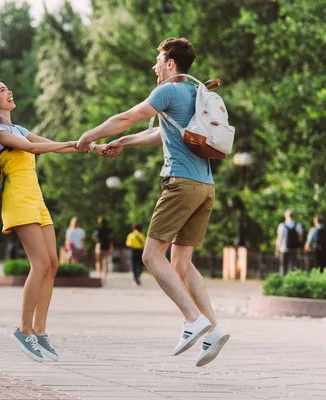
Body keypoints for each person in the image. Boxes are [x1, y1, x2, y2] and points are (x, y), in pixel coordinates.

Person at [76, 37, 229, 367]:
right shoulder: (193, 92)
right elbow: (157, 133)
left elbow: (128, 116)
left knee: (151, 255)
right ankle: (214, 329)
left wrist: (92, 134)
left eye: (158, 61)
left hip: (181, 184)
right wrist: (121, 143)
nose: (154, 67)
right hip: (205, 187)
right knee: (182, 263)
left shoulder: (168, 90)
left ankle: (193, 319)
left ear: (170, 64)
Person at [0, 77, 86, 362]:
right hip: (18, 200)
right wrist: (75, 143)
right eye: (2, 90)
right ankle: (22, 330)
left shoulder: (19, 128)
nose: (9, 92)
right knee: (39, 265)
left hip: (36, 200)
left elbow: (54, 145)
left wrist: (89, 145)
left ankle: (40, 331)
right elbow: (34, 148)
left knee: (52, 265)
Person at [275, 209, 303, 275]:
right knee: (293, 267)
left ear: (285, 216)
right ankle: (291, 281)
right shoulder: (298, 225)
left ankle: (283, 281)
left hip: (284, 249)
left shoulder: (282, 226)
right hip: (294, 249)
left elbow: (280, 238)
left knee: (283, 267)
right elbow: (300, 239)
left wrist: (277, 249)